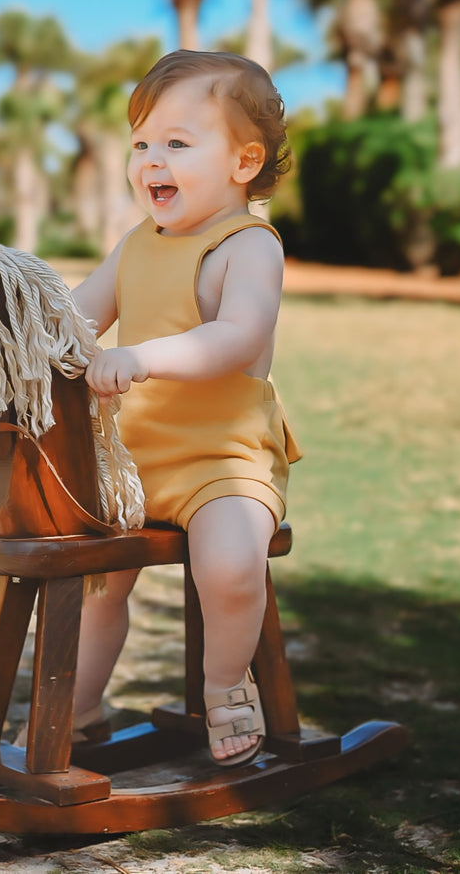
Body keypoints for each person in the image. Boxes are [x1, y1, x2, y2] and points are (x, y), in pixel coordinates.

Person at [69, 50, 302, 766]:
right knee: (95, 585)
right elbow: (74, 320)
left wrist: (141, 357)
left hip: (221, 459)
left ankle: (226, 685)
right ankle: (77, 710)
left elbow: (237, 337)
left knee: (228, 565)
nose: (151, 161)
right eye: (141, 144)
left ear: (243, 162)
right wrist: (10, 324)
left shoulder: (248, 246)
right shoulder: (136, 245)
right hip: (134, 460)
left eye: (176, 142)